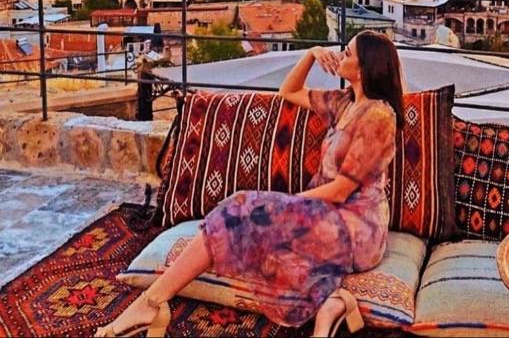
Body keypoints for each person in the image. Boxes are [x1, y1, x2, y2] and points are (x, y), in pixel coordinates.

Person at [94, 31, 404, 338]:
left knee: (243, 211)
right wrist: (310, 53)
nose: (339, 56)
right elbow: (289, 91)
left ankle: (151, 304)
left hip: (356, 229)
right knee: (239, 221)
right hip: (325, 215)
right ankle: (153, 302)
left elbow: (341, 191)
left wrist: (283, 208)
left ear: (363, 68)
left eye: (347, 53)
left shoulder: (378, 116)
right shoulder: (343, 103)